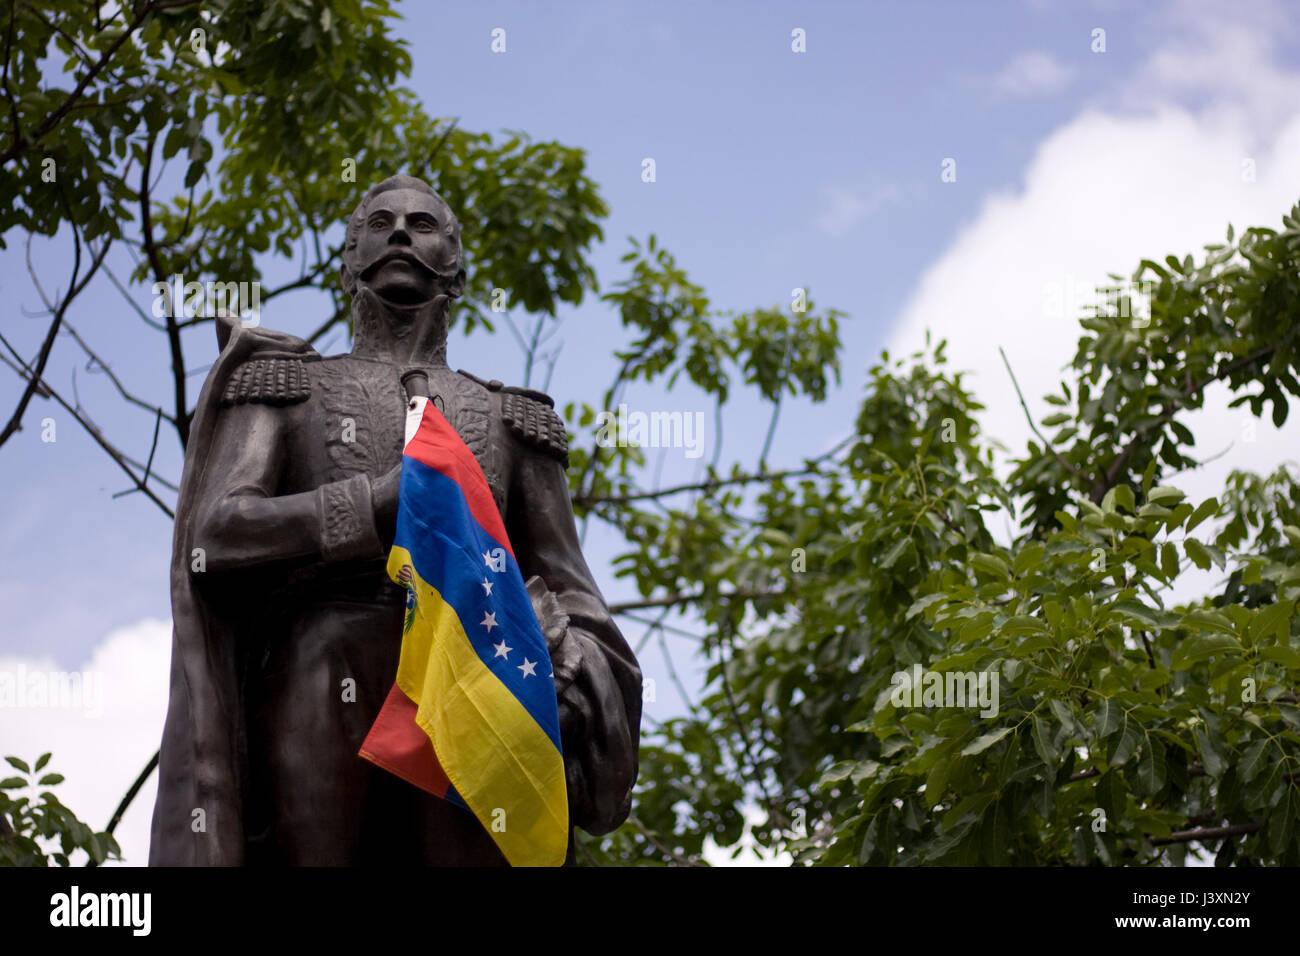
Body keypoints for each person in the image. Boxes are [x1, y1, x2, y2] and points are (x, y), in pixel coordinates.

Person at [150, 175, 641, 865]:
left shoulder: (512, 422)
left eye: (422, 223)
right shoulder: (287, 388)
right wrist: (376, 503)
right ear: (348, 262)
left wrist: (564, 656)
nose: (402, 233)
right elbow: (217, 534)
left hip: (478, 678)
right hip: (323, 668)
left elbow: (572, 589)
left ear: (458, 268)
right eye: (380, 222)